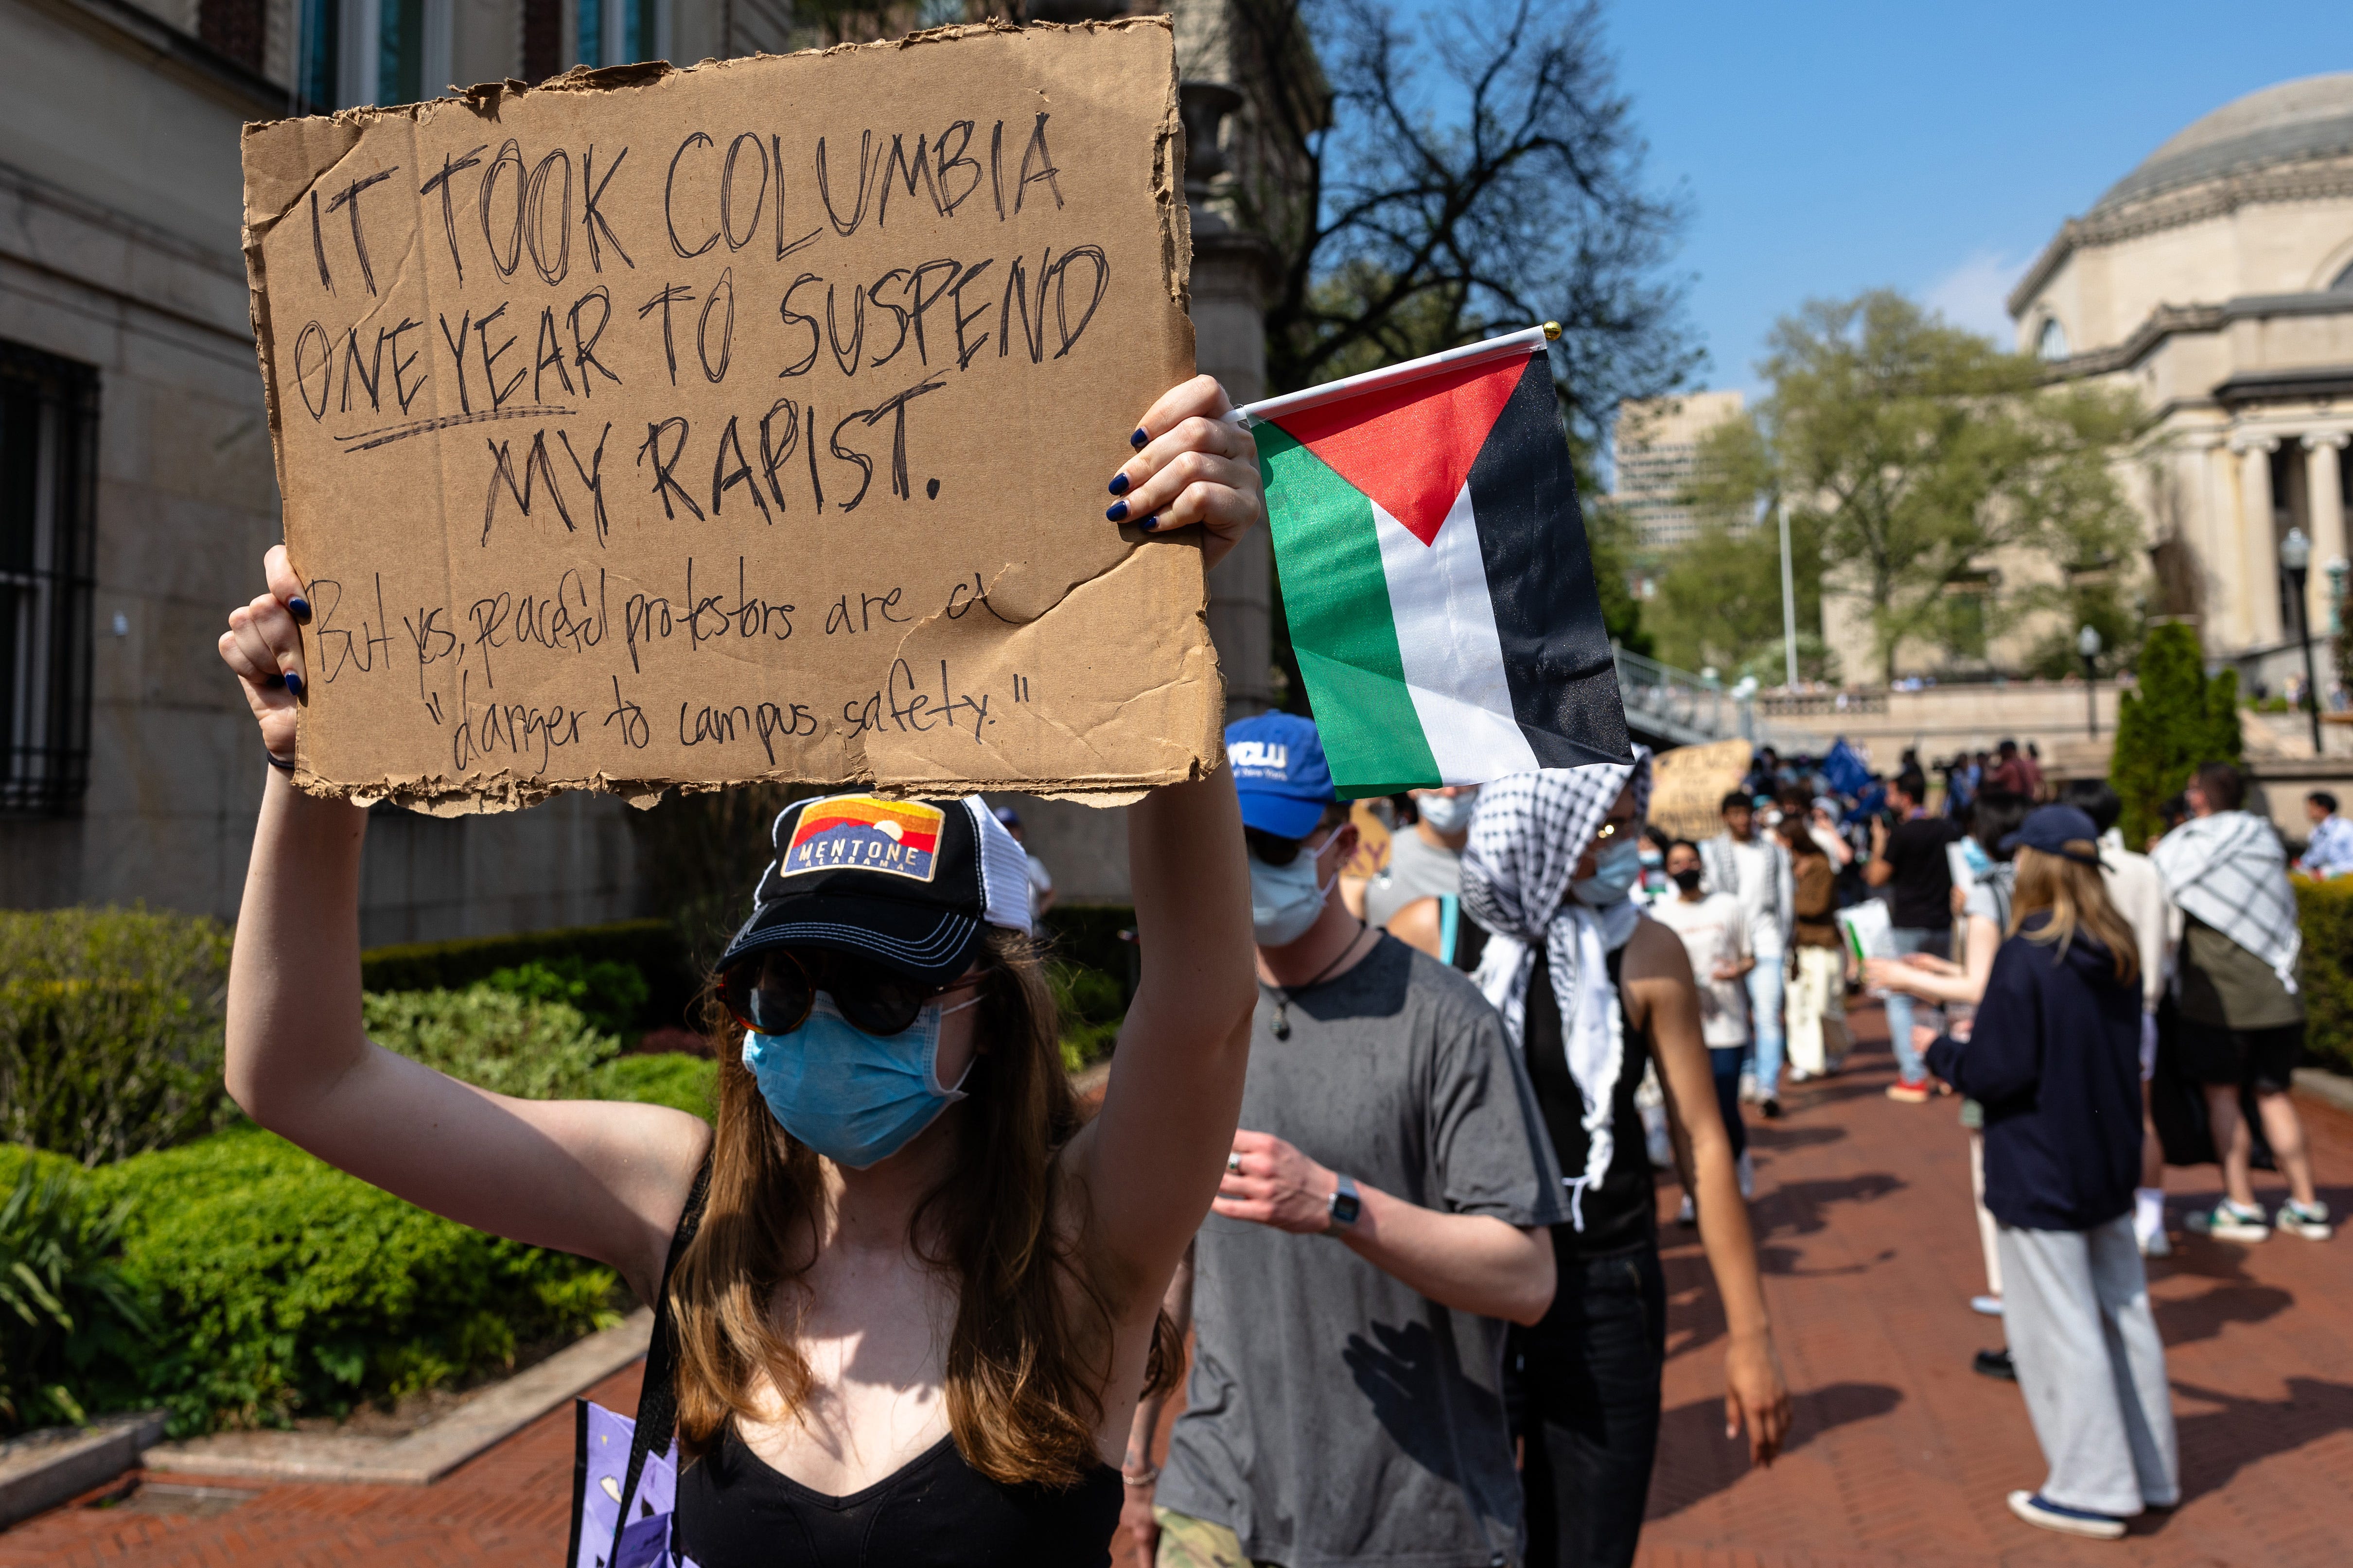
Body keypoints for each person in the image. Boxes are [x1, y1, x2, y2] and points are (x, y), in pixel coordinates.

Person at [214, 377, 1268, 1568]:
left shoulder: (1088, 1238)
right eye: (780, 989)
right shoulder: (690, 1212)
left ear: (989, 1012)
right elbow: (300, 1073)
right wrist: (315, 763)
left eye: (879, 990)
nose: (819, 1020)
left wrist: (1168, 602)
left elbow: (1200, 1003)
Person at [1127, 714, 1566, 1568]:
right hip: (1217, 1500)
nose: (1247, 868)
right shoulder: (1181, 1020)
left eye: (1277, 844)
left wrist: (1338, 1204)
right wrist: (1140, 1464)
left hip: (1413, 1519)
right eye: (1229, 840)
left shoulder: (1445, 1021)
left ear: (1343, 844)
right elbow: (1169, 1261)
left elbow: (1528, 1278)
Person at [1464, 764, 1791, 1568]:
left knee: (1588, 1549)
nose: (1626, 847)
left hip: (1606, 1290)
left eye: (1628, 823)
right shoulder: (1440, 937)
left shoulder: (1647, 949)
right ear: (1544, 831)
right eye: (1604, 827)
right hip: (1467, 1288)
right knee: (1452, 1540)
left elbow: (1703, 1145)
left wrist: (1750, 1336)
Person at [1923, 805, 2179, 1542]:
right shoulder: (2118, 946)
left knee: (2058, 1329)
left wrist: (1942, 1054)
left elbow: (1999, 1070)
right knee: (2125, 1313)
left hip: (2038, 1160)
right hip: (2105, 1154)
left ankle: (2095, 1484)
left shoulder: (2029, 953)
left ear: (2033, 865)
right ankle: (2149, 1467)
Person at [1868, 789, 2028, 1359]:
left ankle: (2014, 1309)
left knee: (1996, 1180)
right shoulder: (2037, 884)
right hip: (2038, 1044)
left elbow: (1982, 987)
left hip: (1994, 1044)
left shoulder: (1988, 892)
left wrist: (1909, 982)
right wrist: (1941, 967)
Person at [2153, 764, 2332, 1243]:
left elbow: (2160, 904)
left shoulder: (2186, 847)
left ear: (2198, 799)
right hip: (2279, 991)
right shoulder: (2263, 837)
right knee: (2274, 1095)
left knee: (2223, 1097)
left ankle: (2242, 1205)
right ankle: (2307, 1204)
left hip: (2219, 998)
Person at [2062, 779, 2176, 1257]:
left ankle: (2101, 1215)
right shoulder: (2144, 869)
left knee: (2082, 1112)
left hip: (2085, 1007)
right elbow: (2171, 935)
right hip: (2141, 1006)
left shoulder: (2073, 870)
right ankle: (2148, 1219)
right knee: (2141, 1116)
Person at [1649, 838, 1755, 1208]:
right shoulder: (1659, 916)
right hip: (1681, 1029)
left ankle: (1737, 1168)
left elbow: (1748, 957)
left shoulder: (1728, 906)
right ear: (1668, 870)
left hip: (1726, 1023)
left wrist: (1734, 971)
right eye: (1677, 862)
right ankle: (1696, 1192)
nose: (1685, 867)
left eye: (1691, 860)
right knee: (1689, 1113)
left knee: (1725, 1105)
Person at [1863, 769, 1960, 1102]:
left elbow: (1877, 877)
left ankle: (1914, 1075)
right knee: (1941, 996)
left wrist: (1879, 845)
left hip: (1908, 924)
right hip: (1942, 923)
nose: (1887, 802)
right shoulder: (1948, 829)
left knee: (1900, 997)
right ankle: (1948, 1069)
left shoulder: (1903, 835)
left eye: (1891, 795)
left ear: (1905, 797)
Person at [1700, 790, 1794, 1118]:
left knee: (1768, 1016)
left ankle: (1768, 1085)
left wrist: (1786, 942)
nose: (1742, 820)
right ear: (1726, 817)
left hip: (1767, 944)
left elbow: (1785, 900)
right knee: (1737, 1014)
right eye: (1735, 814)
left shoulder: (1772, 852)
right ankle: (1749, 1073)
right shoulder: (1712, 852)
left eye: (1746, 813)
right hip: (1731, 948)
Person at [1776, 811, 1848, 1083]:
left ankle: (1840, 1045)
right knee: (1797, 1006)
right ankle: (1804, 1060)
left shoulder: (1820, 866)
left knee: (1824, 1003)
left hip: (1822, 944)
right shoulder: (1783, 868)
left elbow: (1816, 905)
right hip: (1795, 947)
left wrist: (1786, 901)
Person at [1363, 785, 1478, 926]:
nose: (1451, 791)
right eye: (1435, 778)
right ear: (1411, 786)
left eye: (1461, 777)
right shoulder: (1373, 857)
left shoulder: (1500, 862)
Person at [994, 802, 1059, 920]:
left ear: (1020, 831)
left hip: (1027, 928)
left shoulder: (1032, 864)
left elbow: (1050, 894)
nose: (1008, 832)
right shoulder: (986, 863)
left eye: (1012, 828)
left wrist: (1036, 916)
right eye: (1002, 827)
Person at [2297, 790, 2353, 878]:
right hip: (2321, 879)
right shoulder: (2316, 831)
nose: (2308, 810)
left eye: (2312, 807)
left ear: (2323, 808)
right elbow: (2312, 858)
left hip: (2343, 880)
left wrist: (2333, 873)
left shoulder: (2345, 828)